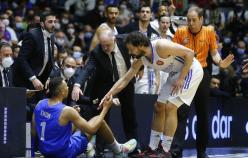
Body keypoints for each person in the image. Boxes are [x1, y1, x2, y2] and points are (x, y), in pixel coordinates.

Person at [100, 31, 203, 157]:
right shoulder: (140, 59)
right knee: (158, 107)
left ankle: (165, 150)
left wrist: (181, 78)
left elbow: (190, 53)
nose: (130, 53)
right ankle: (153, 148)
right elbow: (125, 79)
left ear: (140, 45)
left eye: (131, 49)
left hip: (190, 70)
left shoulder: (160, 46)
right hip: (175, 73)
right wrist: (108, 94)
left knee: (171, 106)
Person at [171, 6, 234, 158]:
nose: (190, 23)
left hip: (202, 73)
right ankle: (175, 151)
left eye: (194, 20)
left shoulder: (209, 32)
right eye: (188, 20)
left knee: (203, 114)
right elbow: (172, 52)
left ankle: (201, 151)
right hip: (184, 72)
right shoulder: (180, 32)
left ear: (201, 20)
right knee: (181, 112)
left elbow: (213, 53)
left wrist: (221, 63)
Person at [71, 29, 139, 156]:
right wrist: (77, 85)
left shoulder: (126, 40)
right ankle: (100, 150)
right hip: (107, 85)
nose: (105, 48)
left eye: (107, 45)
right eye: (103, 45)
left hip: (126, 82)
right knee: (102, 115)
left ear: (114, 39)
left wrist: (140, 67)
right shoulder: (97, 51)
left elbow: (141, 48)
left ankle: (135, 148)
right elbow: (87, 68)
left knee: (129, 114)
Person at [31, 77, 137, 158]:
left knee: (76, 124)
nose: (68, 87)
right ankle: (119, 150)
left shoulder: (40, 104)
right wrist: (106, 108)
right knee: (97, 121)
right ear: (62, 92)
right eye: (66, 86)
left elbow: (34, 132)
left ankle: (89, 147)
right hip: (64, 153)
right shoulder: (67, 111)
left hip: (45, 151)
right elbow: (92, 129)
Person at [12, 12, 56, 91]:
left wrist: (48, 78)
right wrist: (33, 78)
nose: (53, 24)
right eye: (50, 22)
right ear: (42, 24)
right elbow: (22, 59)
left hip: (41, 79)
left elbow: (49, 59)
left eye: (54, 22)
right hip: (26, 79)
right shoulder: (32, 35)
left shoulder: (52, 35)